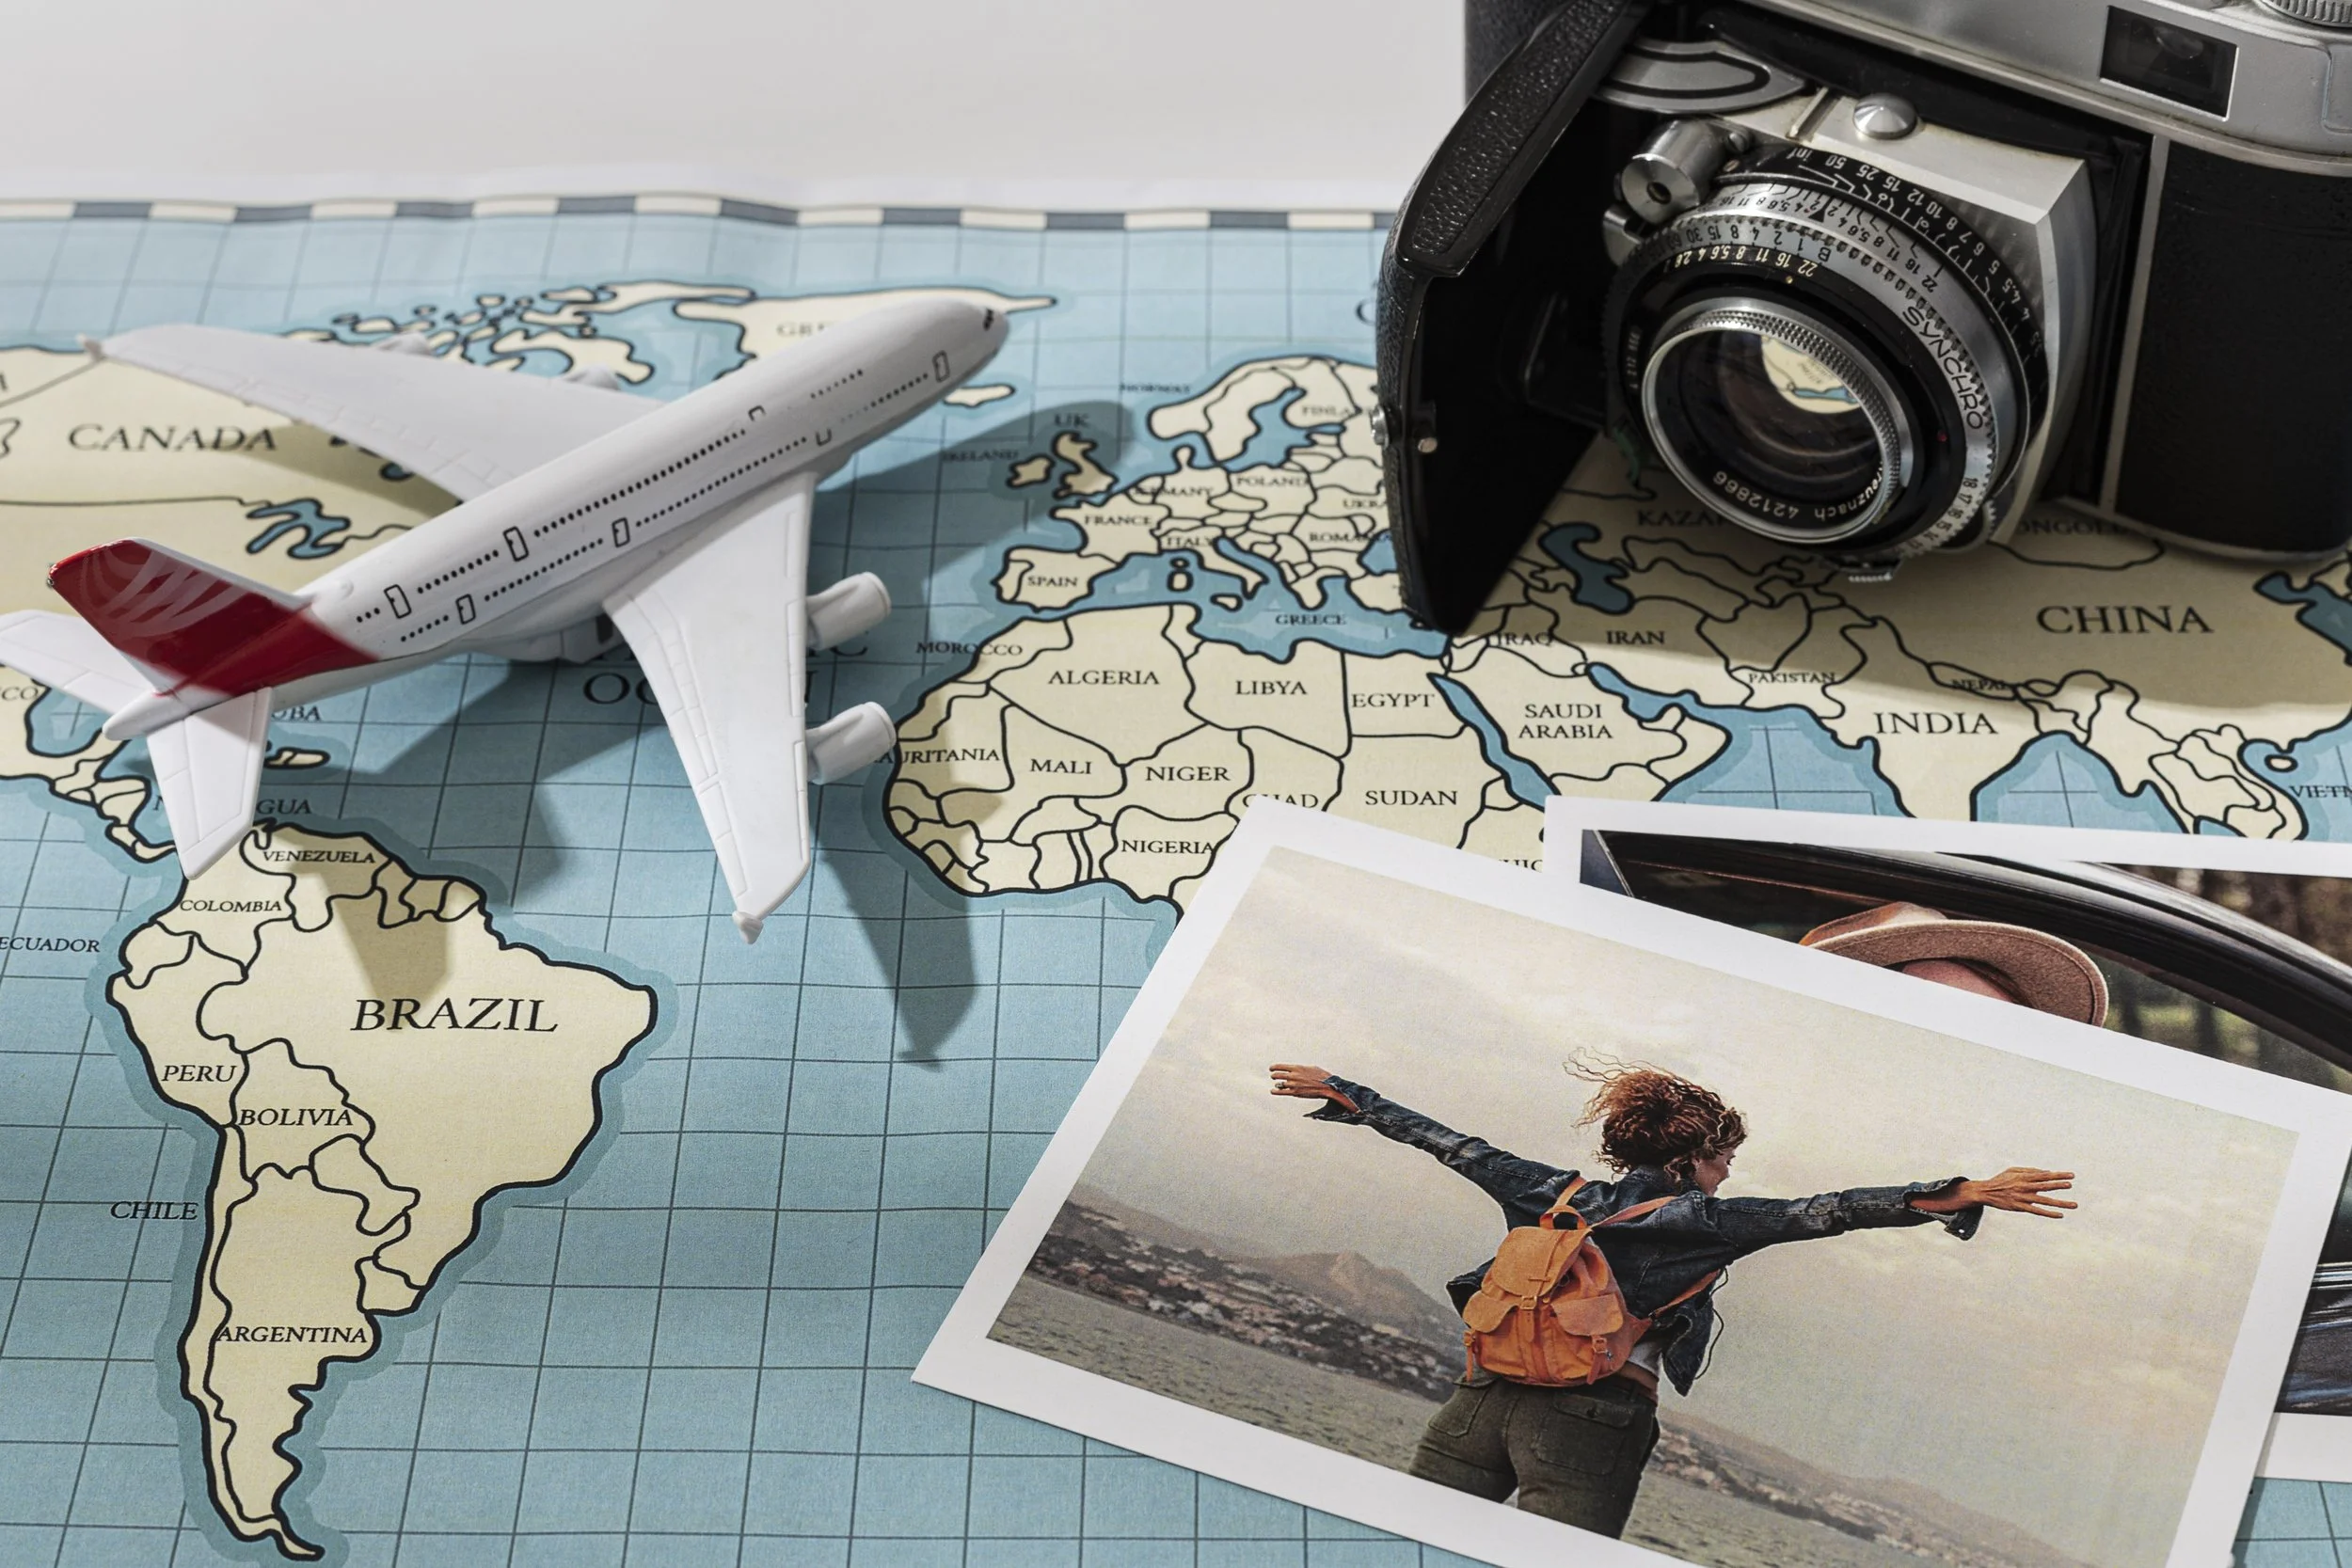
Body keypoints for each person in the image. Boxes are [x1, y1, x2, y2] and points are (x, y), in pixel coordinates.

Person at [1265, 1048, 2075, 1538]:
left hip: (1475, 1401)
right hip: (1589, 1418)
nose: (1729, 1175)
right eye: (1724, 1160)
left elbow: (1452, 1144)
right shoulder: (1705, 1221)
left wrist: (1348, 1091)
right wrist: (1960, 1189)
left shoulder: (1553, 1191)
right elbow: (1824, 1212)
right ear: (1690, 1162)